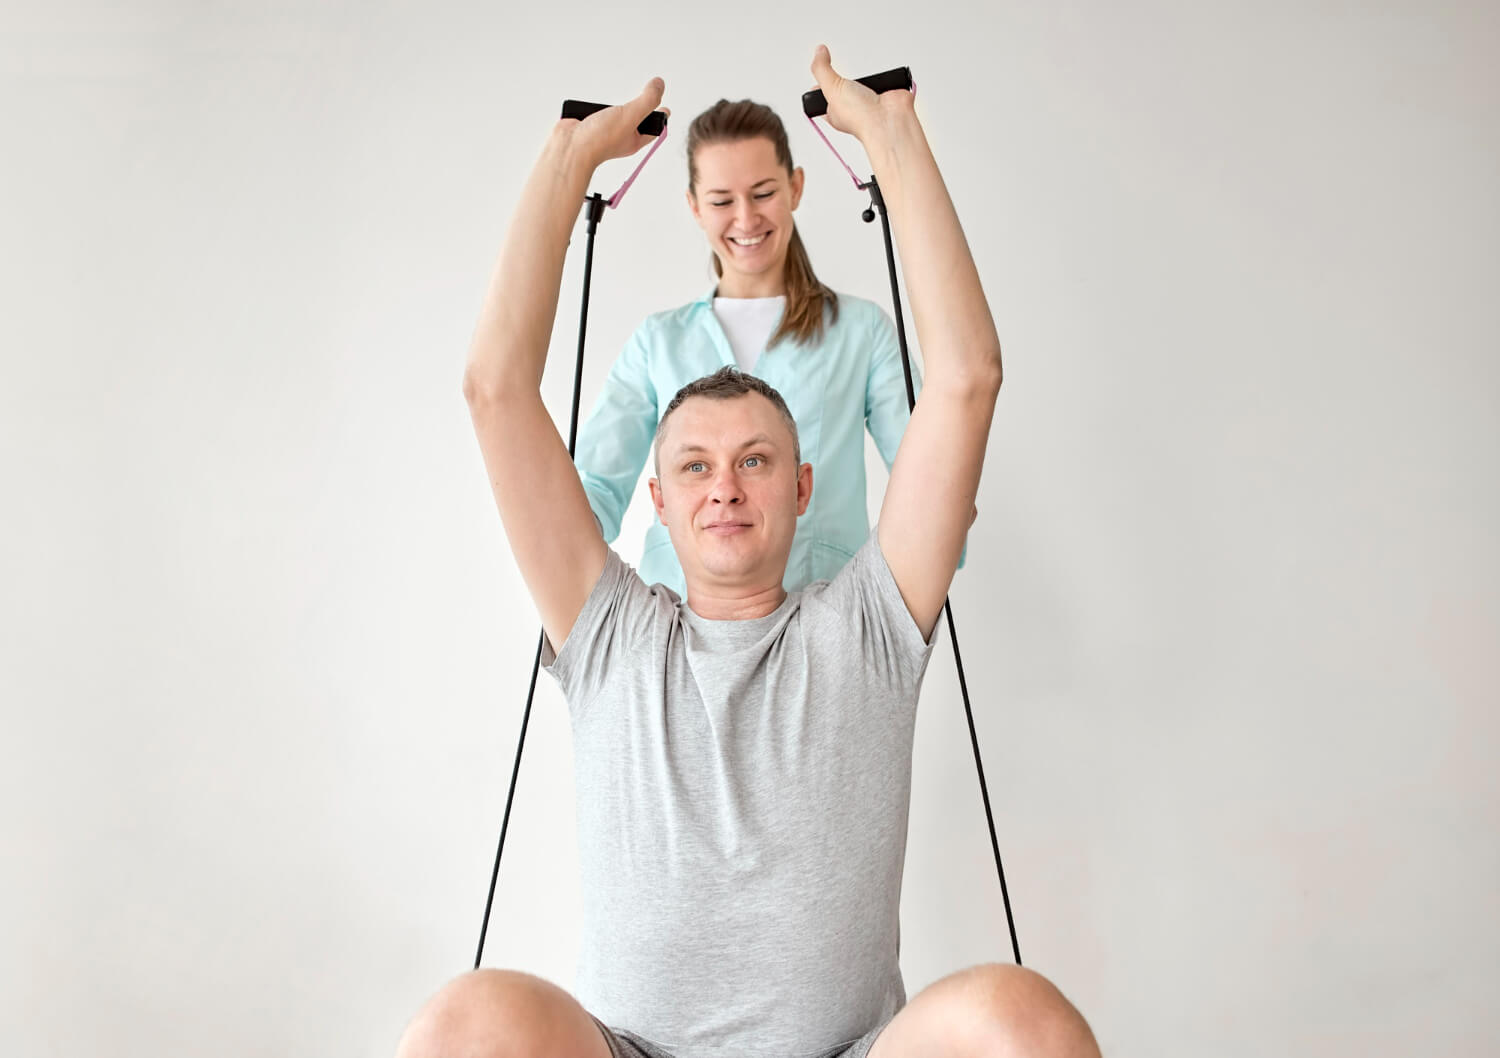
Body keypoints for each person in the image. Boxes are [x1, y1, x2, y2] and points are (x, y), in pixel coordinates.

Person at [409, 46, 1101, 1058]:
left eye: (755, 459)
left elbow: (965, 377)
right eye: (693, 466)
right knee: (463, 1020)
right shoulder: (609, 634)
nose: (724, 483)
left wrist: (896, 142)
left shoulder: (865, 627)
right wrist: (569, 165)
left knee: (1022, 1019)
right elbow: (495, 391)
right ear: (659, 497)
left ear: (805, 485)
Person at [574, 96, 962, 596]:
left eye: (762, 193)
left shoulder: (861, 330)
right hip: (680, 632)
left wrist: (950, 491)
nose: (745, 219)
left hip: (824, 623)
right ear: (693, 205)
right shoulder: (658, 341)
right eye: (720, 200)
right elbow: (593, 491)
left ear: (795, 186)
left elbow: (927, 471)